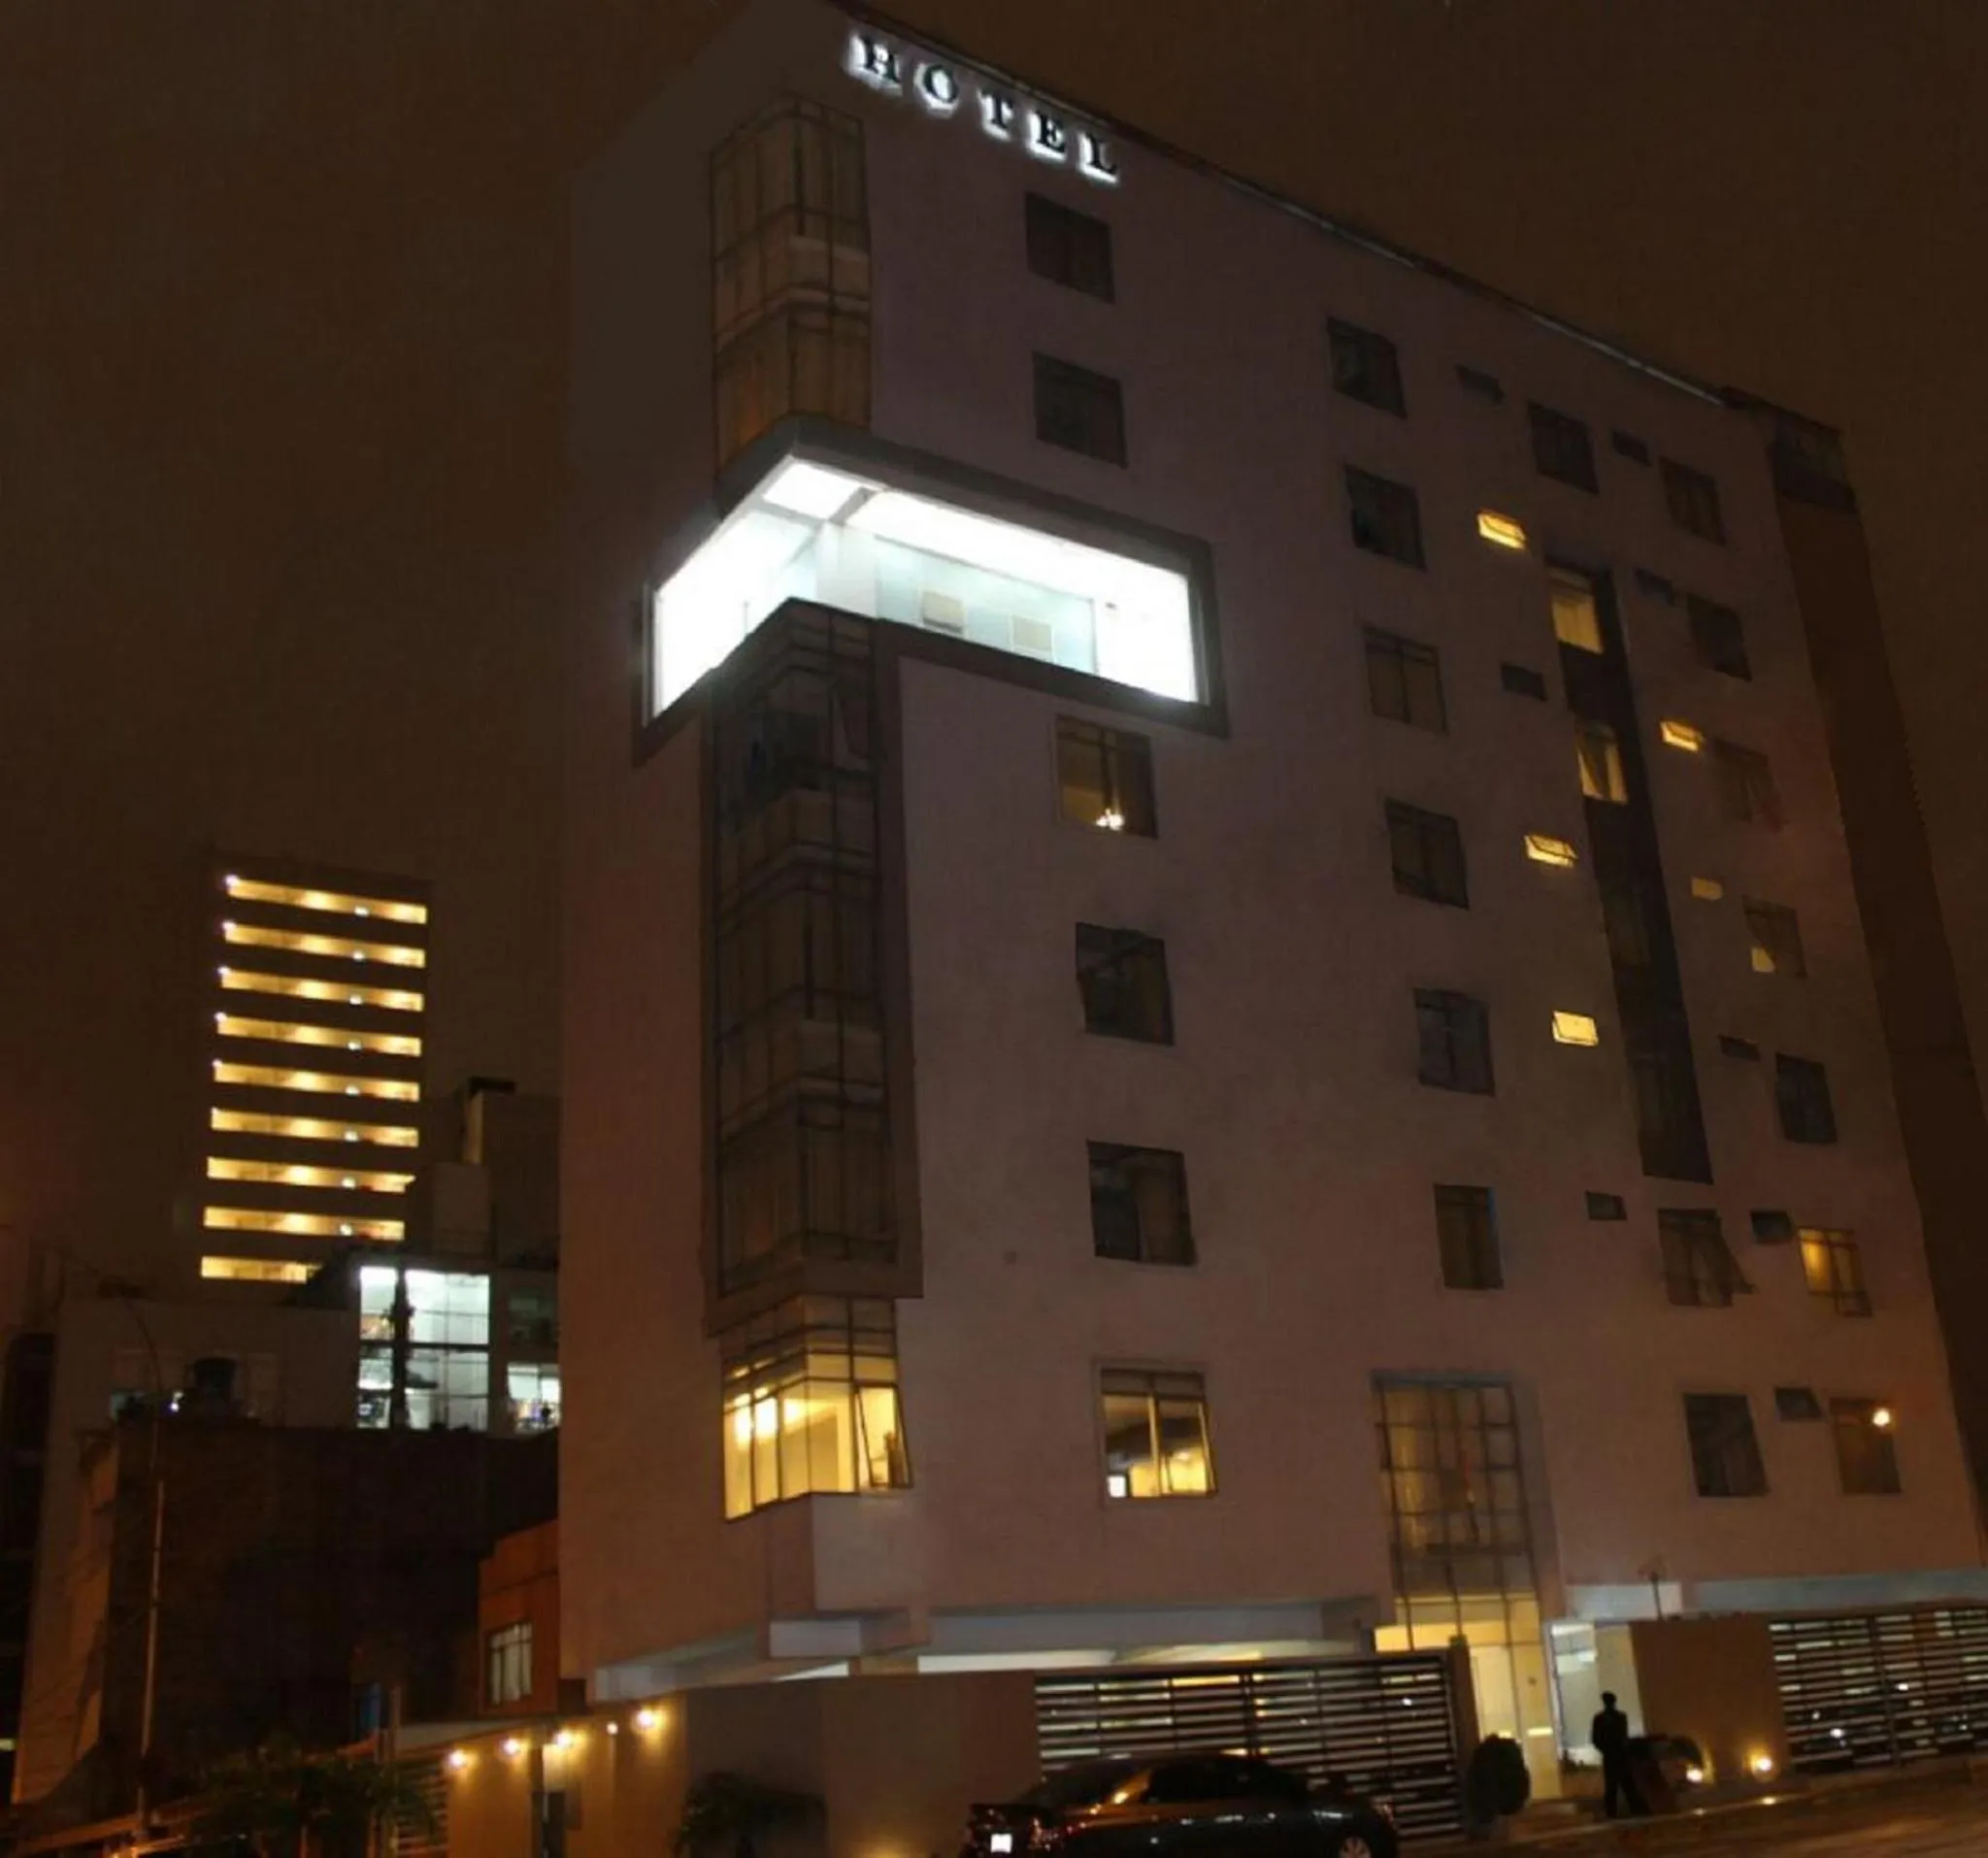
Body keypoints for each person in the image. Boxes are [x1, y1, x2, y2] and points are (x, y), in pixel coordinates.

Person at [1591, 1691, 1640, 1818]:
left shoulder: (1618, 1717)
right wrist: (1606, 1749)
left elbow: (1622, 1735)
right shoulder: (1602, 1719)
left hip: (1618, 1755)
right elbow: (1596, 1738)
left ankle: (1633, 1810)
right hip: (1612, 1755)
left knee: (1626, 1784)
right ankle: (1613, 1812)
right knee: (1614, 1786)